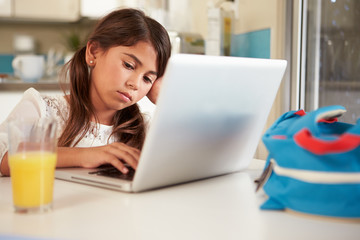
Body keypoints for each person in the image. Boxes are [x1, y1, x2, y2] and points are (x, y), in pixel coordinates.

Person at [0, 8, 172, 177]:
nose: (135, 84)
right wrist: (86, 154)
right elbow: (5, 157)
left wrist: (167, 99)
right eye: (128, 65)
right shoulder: (42, 109)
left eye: (148, 79)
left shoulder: (145, 129)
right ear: (94, 52)